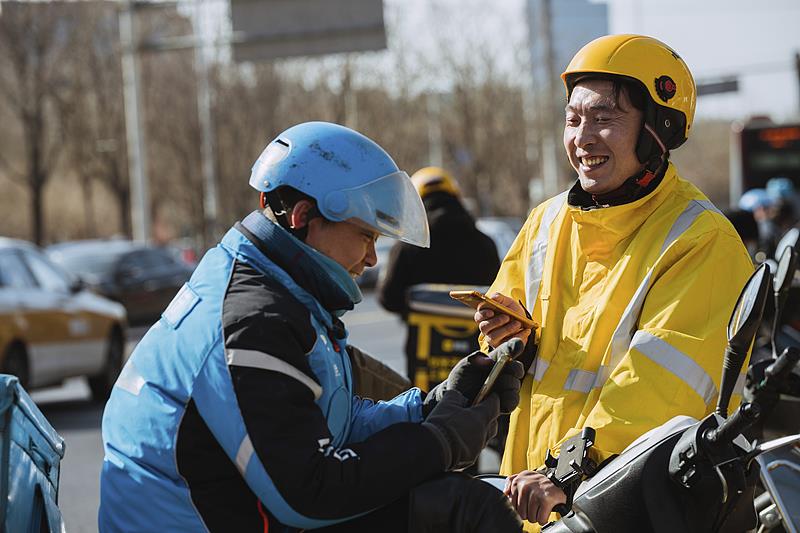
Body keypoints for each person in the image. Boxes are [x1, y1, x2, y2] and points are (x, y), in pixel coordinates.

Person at [99, 122, 525, 532]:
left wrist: (432, 406)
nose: (372, 259)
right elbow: (310, 491)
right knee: (460, 508)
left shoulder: (275, 290)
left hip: (246, 512)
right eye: (366, 236)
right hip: (231, 518)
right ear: (303, 216)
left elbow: (329, 427)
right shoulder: (251, 321)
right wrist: (439, 441)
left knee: (451, 501)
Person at [473, 35, 754, 530]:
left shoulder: (701, 239)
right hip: (536, 500)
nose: (583, 138)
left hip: (630, 504)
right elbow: (513, 338)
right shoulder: (545, 222)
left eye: (604, 118)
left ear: (657, 129)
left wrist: (571, 470)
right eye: (573, 119)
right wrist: (508, 339)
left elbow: (664, 388)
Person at [378, 166, 500, 316]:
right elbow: (497, 294)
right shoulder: (485, 244)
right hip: (477, 328)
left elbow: (388, 298)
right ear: (456, 196)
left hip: (422, 329)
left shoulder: (407, 247)